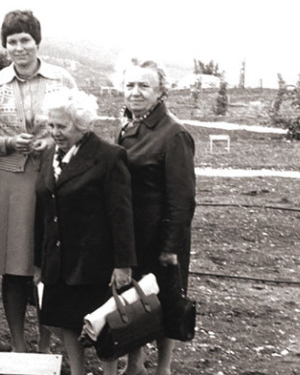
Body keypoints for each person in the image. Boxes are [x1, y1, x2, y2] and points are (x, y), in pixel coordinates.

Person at [0, 9, 76, 353]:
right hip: (10, 184)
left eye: (25, 40)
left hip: (53, 181)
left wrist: (52, 142)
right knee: (15, 270)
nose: (19, 48)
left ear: (37, 42)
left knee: (50, 266)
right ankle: (18, 346)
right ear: (5, 45)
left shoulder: (61, 80)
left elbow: (80, 128)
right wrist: (7, 143)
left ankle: (46, 345)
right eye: (12, 42)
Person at [34, 88, 137, 375]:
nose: (54, 132)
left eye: (62, 126)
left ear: (81, 125)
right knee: (67, 322)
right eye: (51, 125)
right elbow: (42, 211)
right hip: (58, 259)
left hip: (94, 262)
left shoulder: (109, 157)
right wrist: (38, 261)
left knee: (104, 328)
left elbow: (122, 215)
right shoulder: (49, 156)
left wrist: (123, 264)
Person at [118, 59, 196, 375]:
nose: (135, 92)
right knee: (134, 299)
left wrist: (170, 247)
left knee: (165, 301)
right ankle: (134, 364)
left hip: (162, 238)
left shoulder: (174, 133)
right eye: (130, 85)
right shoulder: (127, 126)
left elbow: (183, 197)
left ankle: (163, 368)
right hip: (133, 233)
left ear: (161, 92)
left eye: (144, 85)